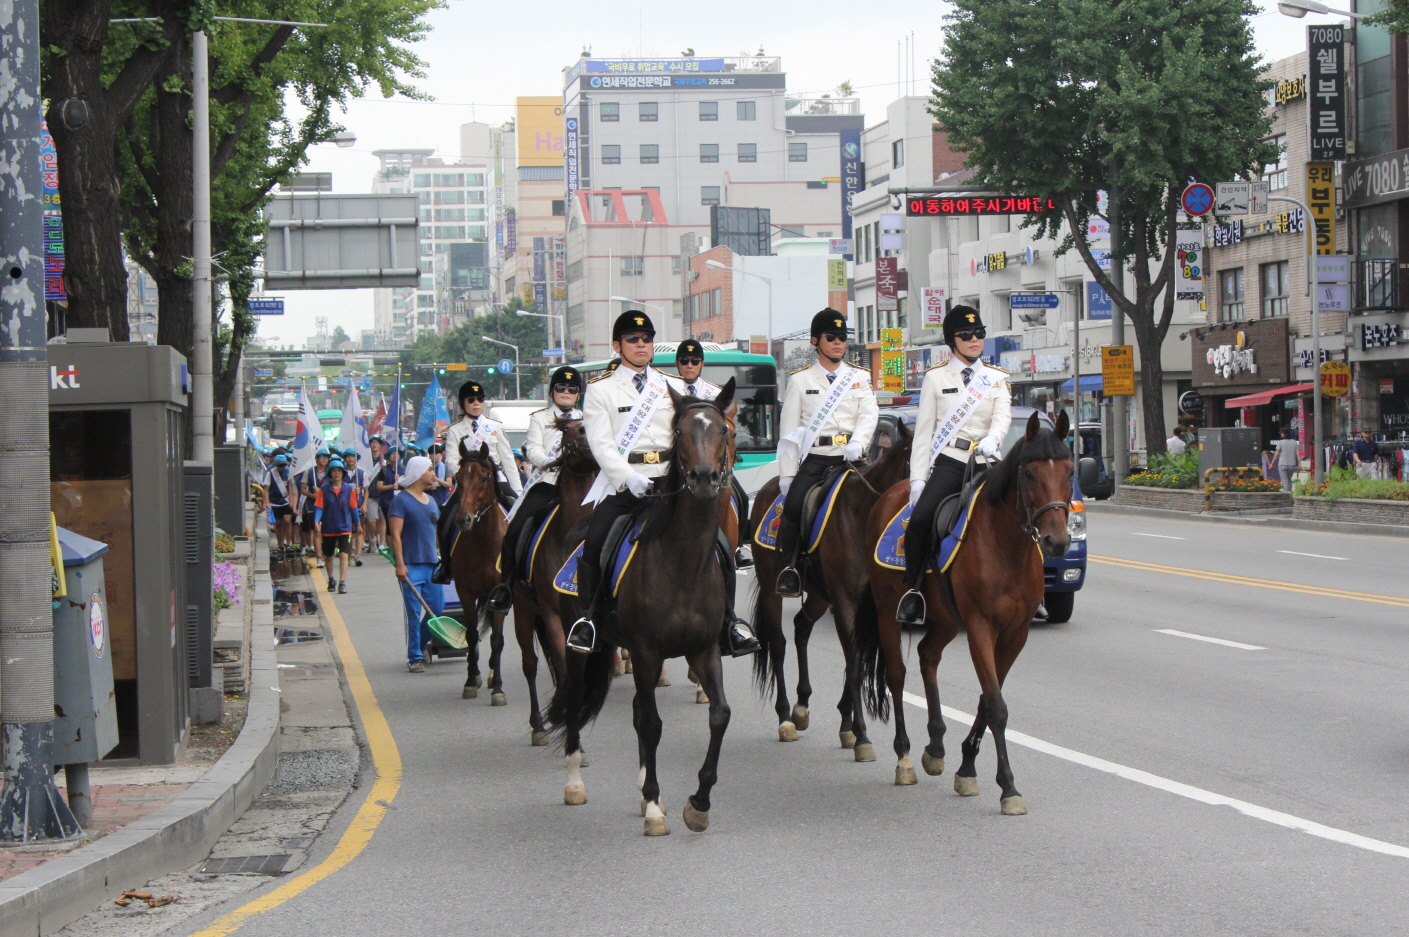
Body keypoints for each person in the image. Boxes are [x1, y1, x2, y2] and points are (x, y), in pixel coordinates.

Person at [566, 310, 758, 657]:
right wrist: (627, 477)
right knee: (596, 540)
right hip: (628, 485)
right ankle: (589, 620)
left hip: (673, 485)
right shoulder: (600, 390)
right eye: (632, 340)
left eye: (646, 339)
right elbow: (601, 443)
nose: (641, 345)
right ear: (617, 345)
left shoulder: (668, 386)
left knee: (721, 546)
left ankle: (728, 622)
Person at [896, 304, 1012, 626]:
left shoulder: (996, 378)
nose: (975, 339)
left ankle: (1030, 590)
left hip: (988, 462)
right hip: (951, 460)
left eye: (980, 334)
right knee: (920, 520)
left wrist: (995, 439)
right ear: (952, 340)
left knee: (1023, 514)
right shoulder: (935, 379)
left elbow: (1002, 417)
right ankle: (914, 592)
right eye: (966, 335)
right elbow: (923, 435)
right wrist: (918, 480)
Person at [774, 308, 879, 598]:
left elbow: (870, 413)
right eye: (831, 337)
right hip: (819, 458)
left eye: (842, 337)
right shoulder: (800, 381)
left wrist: (859, 442)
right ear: (815, 341)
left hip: (853, 459)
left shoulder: (859, 377)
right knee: (794, 505)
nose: (838, 343)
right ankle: (791, 567)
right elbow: (789, 432)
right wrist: (787, 474)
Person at [486, 365, 583, 612]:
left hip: (582, 486)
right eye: (561, 387)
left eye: (572, 388)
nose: (566, 392)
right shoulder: (539, 418)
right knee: (515, 529)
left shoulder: (588, 419)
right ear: (552, 392)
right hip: (548, 483)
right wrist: (550, 461)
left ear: (578, 394)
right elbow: (534, 449)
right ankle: (506, 587)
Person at [434, 380, 523, 583]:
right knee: (446, 516)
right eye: (471, 400)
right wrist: (468, 475)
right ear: (463, 403)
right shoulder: (455, 430)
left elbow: (508, 460)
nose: (476, 403)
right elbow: (452, 463)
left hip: (496, 482)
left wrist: (518, 493)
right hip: (468, 484)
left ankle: (521, 564)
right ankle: (446, 565)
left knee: (519, 515)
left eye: (480, 399)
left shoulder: (494, 427)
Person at [387, 455, 443, 673]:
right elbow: (395, 535)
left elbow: (436, 534)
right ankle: (415, 657)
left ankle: (420, 646)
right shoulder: (400, 500)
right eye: (430, 469)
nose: (433, 474)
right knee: (412, 612)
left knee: (436, 612)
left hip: (432, 564)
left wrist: (444, 560)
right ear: (419, 472)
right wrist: (400, 565)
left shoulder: (432, 501)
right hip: (410, 565)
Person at [315, 458, 360, 593]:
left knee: (343, 554)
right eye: (334, 471)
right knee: (328, 556)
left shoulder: (349, 489)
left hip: (345, 527)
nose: (336, 473)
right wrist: (316, 521)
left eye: (339, 471)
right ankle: (331, 579)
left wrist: (358, 524)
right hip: (328, 527)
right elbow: (319, 507)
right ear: (330, 473)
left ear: (343, 473)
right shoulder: (324, 490)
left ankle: (342, 582)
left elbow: (353, 508)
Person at [299, 449, 331, 563]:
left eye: (327, 457)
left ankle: (327, 553)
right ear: (316, 459)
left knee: (327, 531)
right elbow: (302, 489)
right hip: (313, 506)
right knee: (316, 531)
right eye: (322, 456)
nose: (324, 459)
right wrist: (312, 495)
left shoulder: (331, 472)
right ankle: (319, 557)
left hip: (329, 506)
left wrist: (323, 492)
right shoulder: (309, 472)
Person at [263, 453, 295, 551]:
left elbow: (290, 486)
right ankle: (280, 544)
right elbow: (266, 489)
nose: (281, 467)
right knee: (278, 524)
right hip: (275, 502)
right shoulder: (270, 473)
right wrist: (266, 502)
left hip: (286, 501)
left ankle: (288, 543)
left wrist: (291, 501)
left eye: (283, 465)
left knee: (287, 521)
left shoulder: (288, 471)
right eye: (279, 465)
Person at [341, 449, 367, 566]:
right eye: (348, 456)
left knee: (359, 530)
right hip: (345, 506)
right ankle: (350, 554)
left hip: (358, 505)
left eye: (353, 456)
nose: (351, 459)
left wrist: (365, 503)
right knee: (349, 531)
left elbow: (366, 490)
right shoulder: (342, 473)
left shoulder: (362, 473)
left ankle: (358, 555)